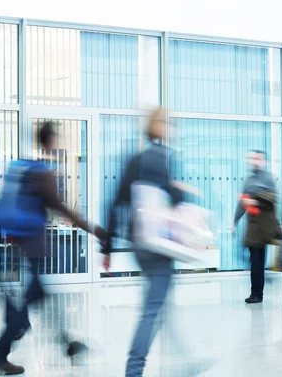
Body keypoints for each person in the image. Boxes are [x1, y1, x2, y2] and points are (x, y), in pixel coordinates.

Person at [0, 122, 108, 375]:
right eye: (58, 138)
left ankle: (68, 345)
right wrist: (95, 230)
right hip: (32, 247)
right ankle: (0, 355)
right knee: (26, 310)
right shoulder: (42, 173)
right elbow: (60, 207)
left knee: (43, 300)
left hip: (22, 245)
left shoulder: (26, 169)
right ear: (50, 141)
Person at [105, 107, 182, 377]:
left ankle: (183, 361)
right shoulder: (162, 158)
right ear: (161, 127)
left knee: (159, 303)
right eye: (169, 124)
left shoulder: (135, 159)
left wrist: (107, 248)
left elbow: (115, 203)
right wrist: (180, 191)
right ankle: (134, 370)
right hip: (158, 243)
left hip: (139, 242)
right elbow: (172, 200)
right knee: (153, 309)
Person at [232, 150, 279, 304]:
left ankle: (257, 294)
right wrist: (234, 221)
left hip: (264, 225)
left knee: (257, 261)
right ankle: (257, 290)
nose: (254, 160)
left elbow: (274, 197)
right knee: (253, 260)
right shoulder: (249, 179)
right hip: (252, 225)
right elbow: (243, 202)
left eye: (258, 158)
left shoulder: (268, 178)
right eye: (252, 158)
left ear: (264, 161)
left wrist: (256, 200)